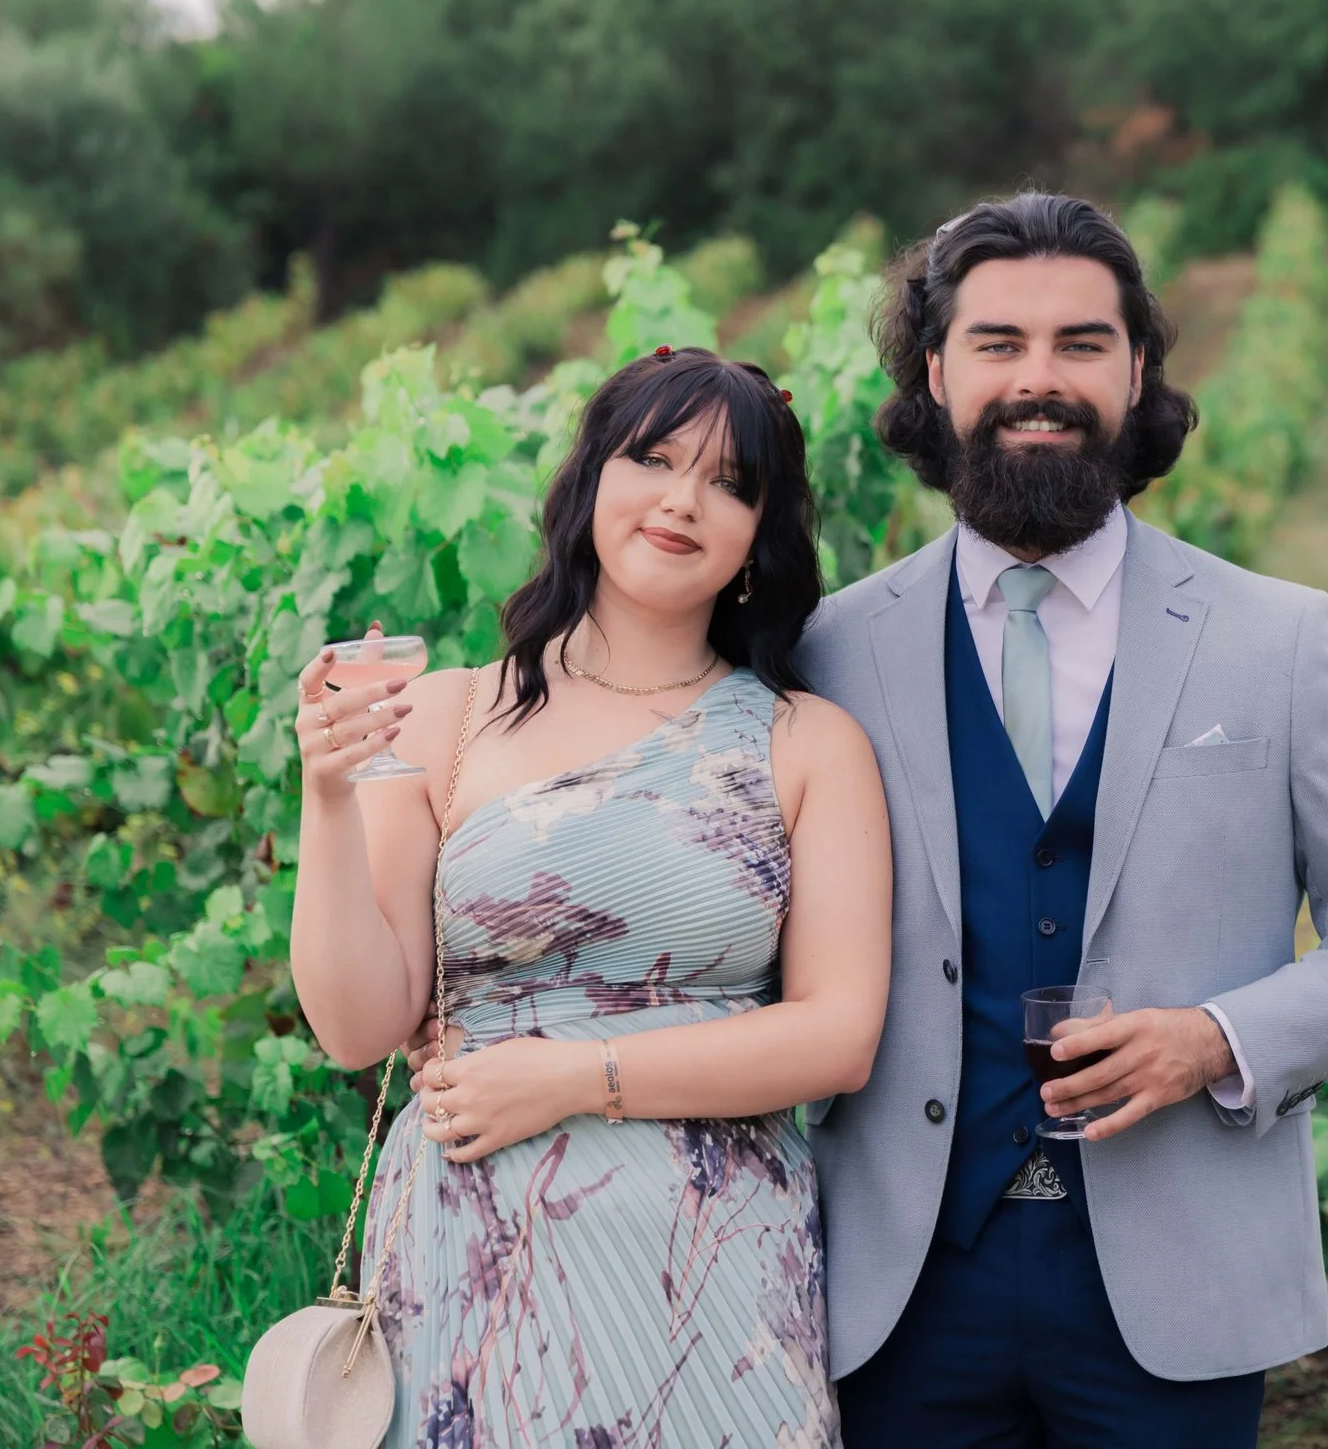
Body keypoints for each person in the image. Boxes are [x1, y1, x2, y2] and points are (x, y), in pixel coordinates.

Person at [795, 193, 1328, 1447]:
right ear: (934, 372)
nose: (1037, 379)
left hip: (1178, 1286)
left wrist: (1214, 1038)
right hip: (899, 1284)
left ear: (1137, 367)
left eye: (1080, 343)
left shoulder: (1274, 637)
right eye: (997, 343)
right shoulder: (833, 646)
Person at [287, 348, 892, 1448]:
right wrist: (326, 798)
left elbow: (839, 1035)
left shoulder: (806, 742)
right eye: (652, 458)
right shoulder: (449, 714)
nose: (680, 499)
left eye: (728, 481)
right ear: (588, 484)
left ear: (762, 532)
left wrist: (576, 1078)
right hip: (471, 1243)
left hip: (709, 1272)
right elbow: (358, 1024)